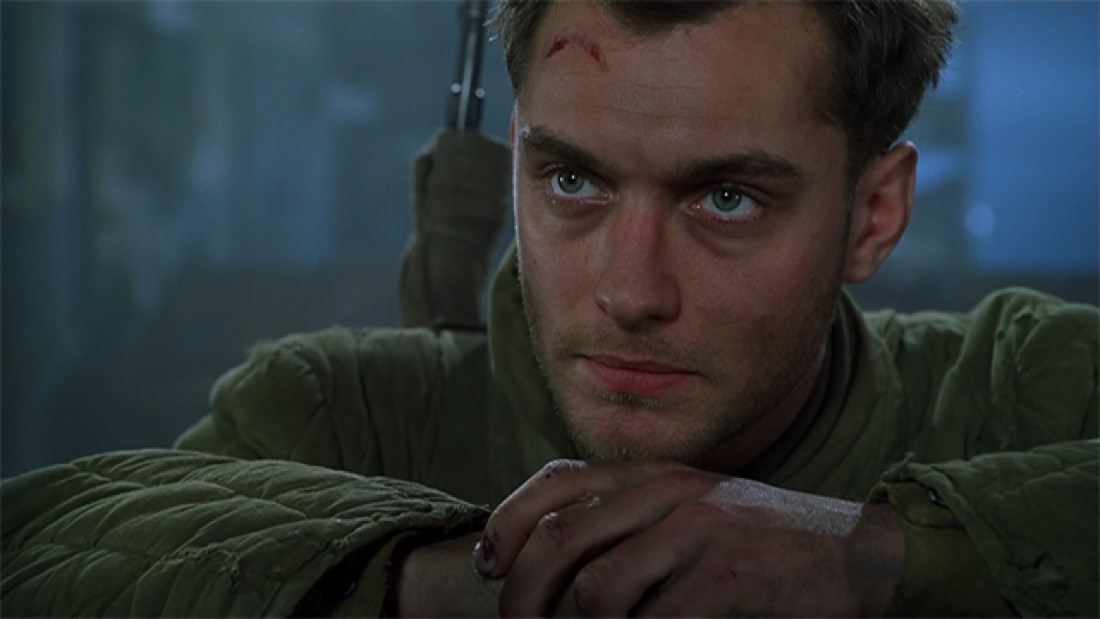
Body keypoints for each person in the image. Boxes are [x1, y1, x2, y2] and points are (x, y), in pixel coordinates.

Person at [2, 1, 1097, 616]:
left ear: (873, 212)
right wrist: (446, 583)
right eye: (572, 180)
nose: (629, 291)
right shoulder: (340, 417)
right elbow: (42, 550)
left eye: (725, 198)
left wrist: (877, 556)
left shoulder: (1021, 392)